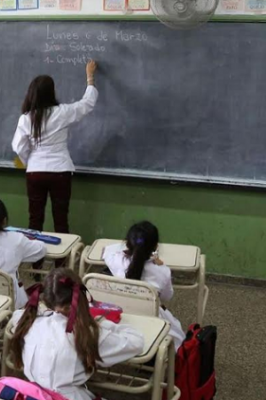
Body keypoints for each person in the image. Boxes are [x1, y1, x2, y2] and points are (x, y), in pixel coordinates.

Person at [10, 268, 144, 400]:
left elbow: (17, 315)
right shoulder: (88, 333)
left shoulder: (29, 322)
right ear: (81, 296)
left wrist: (45, 312)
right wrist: (102, 323)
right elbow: (136, 342)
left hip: (31, 395)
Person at [12, 60, 98, 240]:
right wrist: (90, 78)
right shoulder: (62, 112)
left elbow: (19, 147)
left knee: (35, 221)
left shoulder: (26, 118)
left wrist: (31, 161)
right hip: (60, 171)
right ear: (51, 93)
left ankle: (36, 264)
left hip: (35, 172)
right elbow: (87, 104)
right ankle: (62, 264)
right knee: (61, 220)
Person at [103, 221, 185, 350]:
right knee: (177, 332)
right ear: (156, 246)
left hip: (119, 317)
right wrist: (156, 260)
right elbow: (167, 297)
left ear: (127, 244)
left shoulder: (117, 261)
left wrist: (128, 250)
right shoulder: (162, 271)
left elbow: (107, 251)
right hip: (150, 320)